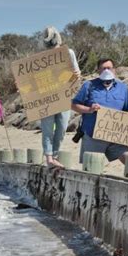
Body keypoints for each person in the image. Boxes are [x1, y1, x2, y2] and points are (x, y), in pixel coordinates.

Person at [71, 58, 128, 164]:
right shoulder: (88, 85)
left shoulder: (123, 88)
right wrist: (89, 109)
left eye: (109, 68)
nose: (106, 71)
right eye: (103, 68)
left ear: (114, 70)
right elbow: (74, 105)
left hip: (115, 138)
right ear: (98, 71)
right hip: (92, 137)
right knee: (91, 170)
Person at [40, 26, 81, 168]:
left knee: (62, 126)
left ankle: (55, 154)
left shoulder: (69, 53)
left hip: (64, 95)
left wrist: (75, 76)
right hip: (46, 97)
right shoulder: (41, 58)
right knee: (47, 128)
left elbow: (77, 73)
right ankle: (49, 158)